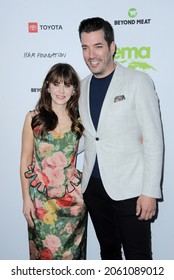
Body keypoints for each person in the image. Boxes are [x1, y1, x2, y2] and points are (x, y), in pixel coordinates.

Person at [78, 17, 164, 260]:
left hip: (131, 191)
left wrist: (150, 191)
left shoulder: (138, 81)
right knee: (109, 254)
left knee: (139, 258)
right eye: (85, 47)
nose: (91, 54)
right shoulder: (81, 87)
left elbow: (153, 140)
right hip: (93, 189)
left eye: (97, 46)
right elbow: (87, 135)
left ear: (112, 47)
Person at [20, 63, 87, 260]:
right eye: (56, 84)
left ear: (74, 89)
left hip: (73, 203)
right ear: (47, 86)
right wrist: (26, 199)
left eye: (67, 85)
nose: (61, 90)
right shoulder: (34, 119)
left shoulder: (80, 120)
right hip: (40, 203)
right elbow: (25, 161)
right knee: (43, 258)